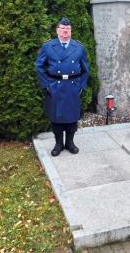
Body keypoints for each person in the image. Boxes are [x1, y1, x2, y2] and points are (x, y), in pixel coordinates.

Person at [36, 18, 90, 156]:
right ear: (57, 30)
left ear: (71, 31)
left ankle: (70, 143)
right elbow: (39, 66)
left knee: (72, 117)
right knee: (56, 117)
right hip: (55, 86)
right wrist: (46, 84)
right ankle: (59, 144)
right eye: (63, 29)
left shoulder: (79, 47)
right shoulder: (48, 46)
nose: (66, 32)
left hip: (72, 87)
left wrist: (81, 86)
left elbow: (86, 69)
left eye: (68, 29)